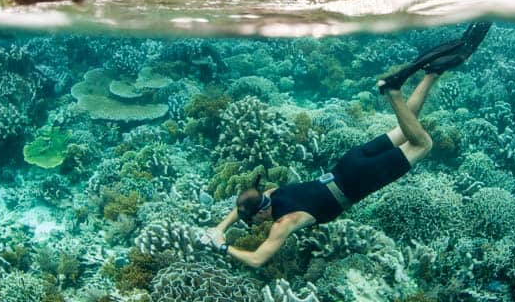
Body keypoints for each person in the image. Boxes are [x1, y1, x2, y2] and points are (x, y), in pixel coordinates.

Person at [202, 22, 492, 268]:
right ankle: (432, 73)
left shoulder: (284, 222)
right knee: (405, 127)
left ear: (262, 212)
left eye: (255, 221)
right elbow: (244, 205)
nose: (257, 225)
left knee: (423, 144)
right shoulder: (269, 193)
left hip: (358, 179)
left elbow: (257, 259)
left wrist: (222, 247)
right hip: (349, 163)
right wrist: (220, 228)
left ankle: (392, 92)